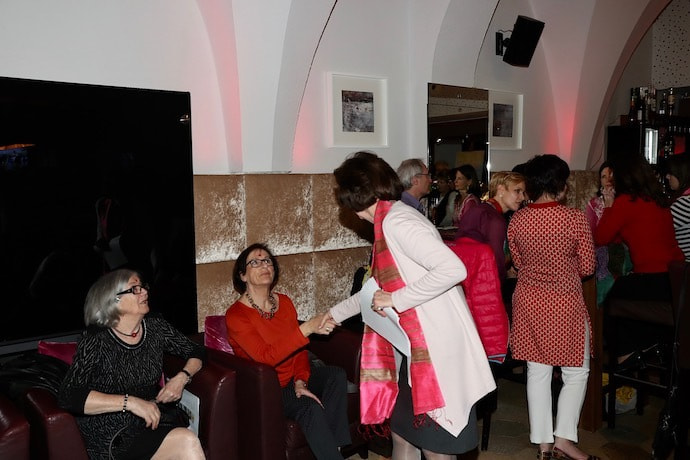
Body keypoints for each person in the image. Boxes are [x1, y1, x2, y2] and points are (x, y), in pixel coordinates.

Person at [325, 151, 495, 460]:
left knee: (435, 447)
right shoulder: (389, 221)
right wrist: (331, 316)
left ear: (355, 194)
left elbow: (453, 269)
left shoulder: (397, 222)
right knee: (403, 435)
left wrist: (396, 299)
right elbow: (373, 290)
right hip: (416, 348)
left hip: (434, 350)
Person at [59, 269, 206, 460]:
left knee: (185, 440)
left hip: (151, 419)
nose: (144, 292)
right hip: (110, 429)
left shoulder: (155, 326)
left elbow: (196, 351)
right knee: (187, 441)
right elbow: (69, 396)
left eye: (143, 287)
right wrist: (130, 403)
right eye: (135, 289)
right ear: (114, 300)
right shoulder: (96, 339)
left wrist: (182, 377)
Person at [507, 154, 597, 460]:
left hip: (529, 300)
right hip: (564, 301)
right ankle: (564, 440)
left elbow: (518, 262)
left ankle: (544, 446)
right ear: (558, 183)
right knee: (576, 372)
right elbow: (588, 266)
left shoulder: (518, 219)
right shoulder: (574, 218)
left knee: (538, 372)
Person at [224, 243, 349, 460]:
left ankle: (335, 449)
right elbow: (266, 357)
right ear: (242, 275)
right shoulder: (236, 315)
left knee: (336, 375)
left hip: (292, 377)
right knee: (310, 408)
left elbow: (299, 349)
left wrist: (301, 380)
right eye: (255, 262)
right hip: (269, 387)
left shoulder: (285, 302)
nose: (264, 265)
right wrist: (307, 327)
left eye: (267, 261)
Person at [595, 155, 684, 366]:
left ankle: (625, 356)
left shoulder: (626, 202)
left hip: (651, 278)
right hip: (676, 278)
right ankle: (646, 347)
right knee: (628, 299)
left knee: (610, 299)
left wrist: (608, 206)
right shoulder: (658, 200)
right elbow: (625, 234)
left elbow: (601, 237)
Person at [456, 171, 525, 281]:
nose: (522, 197)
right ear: (501, 190)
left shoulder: (482, 209)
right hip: (482, 280)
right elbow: (496, 262)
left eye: (523, 192)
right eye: (517, 191)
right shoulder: (494, 218)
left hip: (465, 275)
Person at [585, 162, 632, 306]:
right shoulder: (593, 204)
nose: (607, 180)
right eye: (603, 176)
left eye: (611, 175)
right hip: (601, 250)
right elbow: (592, 236)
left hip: (624, 250)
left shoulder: (625, 202)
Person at [666, 153, 690, 260]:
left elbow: (659, 227)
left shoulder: (685, 203)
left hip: (685, 264)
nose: (667, 177)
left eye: (671, 173)